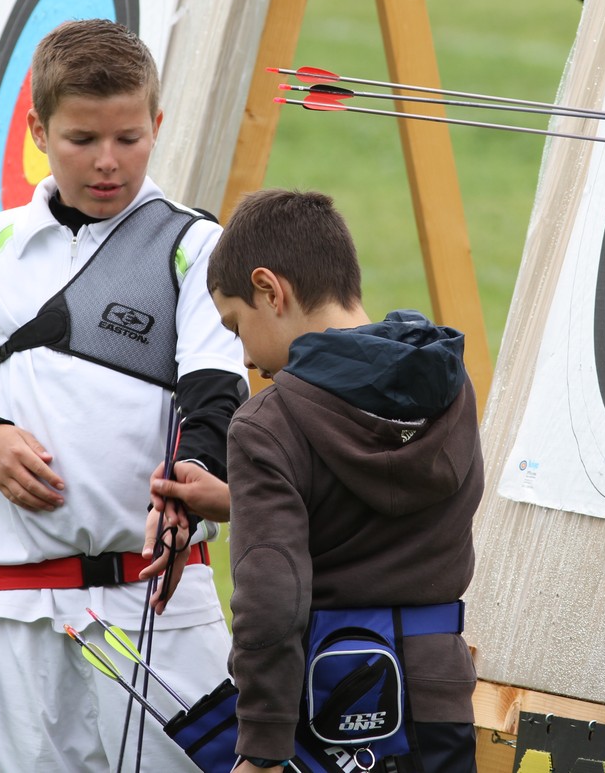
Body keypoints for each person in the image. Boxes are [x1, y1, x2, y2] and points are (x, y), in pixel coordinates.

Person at [0, 18, 247, 771]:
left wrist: (189, 484)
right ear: (36, 129)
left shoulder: (193, 244)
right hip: (16, 612)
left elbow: (215, 394)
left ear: (157, 125)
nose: (109, 163)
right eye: (81, 139)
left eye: (130, 138)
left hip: (159, 603)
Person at [204, 188, 484, 772]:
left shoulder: (266, 422)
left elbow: (271, 601)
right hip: (438, 698)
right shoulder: (451, 388)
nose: (246, 356)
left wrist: (260, 751)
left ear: (269, 290)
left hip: (331, 710)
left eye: (236, 325)